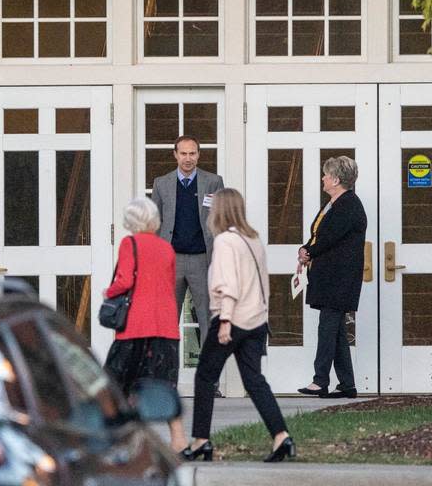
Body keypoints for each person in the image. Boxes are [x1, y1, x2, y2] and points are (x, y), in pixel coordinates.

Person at [181, 188, 294, 463]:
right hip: (256, 320)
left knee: (205, 377)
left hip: (232, 319)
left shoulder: (224, 242)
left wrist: (225, 322)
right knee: (255, 381)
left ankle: (200, 440)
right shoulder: (252, 239)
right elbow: (259, 282)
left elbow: (228, 285)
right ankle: (281, 436)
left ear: (220, 210)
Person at [101, 197, 185, 451]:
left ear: (131, 221)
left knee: (117, 382)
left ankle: (117, 437)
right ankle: (179, 439)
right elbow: (169, 284)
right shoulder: (166, 247)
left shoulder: (130, 243)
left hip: (136, 325)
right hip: (166, 325)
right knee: (164, 384)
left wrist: (109, 291)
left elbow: (125, 280)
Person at [297, 156, 367, 399]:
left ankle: (320, 380)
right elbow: (319, 235)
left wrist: (311, 251)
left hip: (339, 277)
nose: (323, 179)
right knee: (336, 330)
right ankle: (347, 384)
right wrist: (306, 248)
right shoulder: (334, 203)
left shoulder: (349, 205)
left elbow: (330, 237)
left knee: (327, 328)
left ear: (336, 179)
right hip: (329, 275)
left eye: (326, 175)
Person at [150, 134, 225, 346]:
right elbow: (154, 223)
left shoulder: (213, 182)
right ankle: (166, 376)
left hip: (202, 259)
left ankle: (208, 377)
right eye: (183, 153)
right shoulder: (161, 183)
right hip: (170, 260)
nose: (188, 158)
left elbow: (221, 219)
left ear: (199, 155)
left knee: (207, 319)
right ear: (175, 155)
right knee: (166, 320)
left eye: (192, 153)